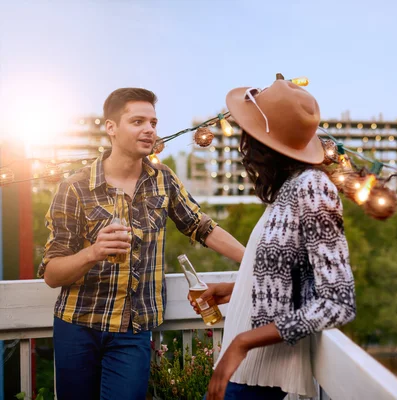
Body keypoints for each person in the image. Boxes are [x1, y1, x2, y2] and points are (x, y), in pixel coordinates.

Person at [38, 88, 246, 400]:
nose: (149, 129)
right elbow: (52, 274)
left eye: (153, 122)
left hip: (134, 330)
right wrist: (94, 252)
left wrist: (255, 260)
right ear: (112, 128)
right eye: (137, 121)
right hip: (78, 327)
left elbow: (202, 227)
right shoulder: (75, 187)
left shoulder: (163, 180)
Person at [188, 78, 357, 400]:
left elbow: (338, 302)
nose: (242, 142)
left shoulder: (312, 187)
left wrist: (243, 342)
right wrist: (232, 291)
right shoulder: (288, 190)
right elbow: (288, 276)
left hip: (260, 374)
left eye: (247, 131)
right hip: (245, 370)